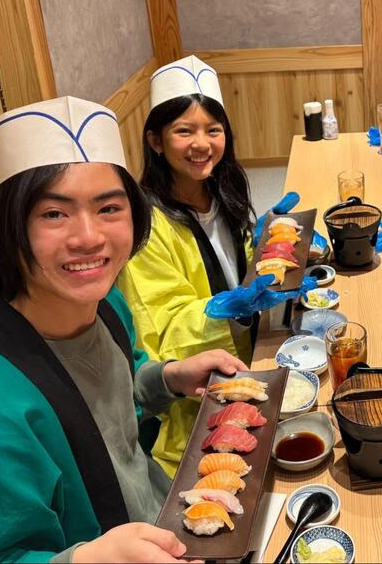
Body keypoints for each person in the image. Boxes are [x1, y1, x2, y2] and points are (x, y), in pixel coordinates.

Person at [0, 97, 248, 563]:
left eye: (108, 209)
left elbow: (110, 399)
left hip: (164, 520)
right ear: (8, 227)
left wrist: (166, 377)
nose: (88, 237)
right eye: (53, 214)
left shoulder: (104, 306)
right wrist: (83, 559)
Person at [117, 55, 256, 477]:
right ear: (156, 140)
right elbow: (161, 322)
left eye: (213, 130)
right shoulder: (146, 225)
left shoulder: (222, 189)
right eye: (184, 131)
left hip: (252, 358)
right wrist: (229, 309)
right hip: (195, 402)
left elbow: (240, 268)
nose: (202, 144)